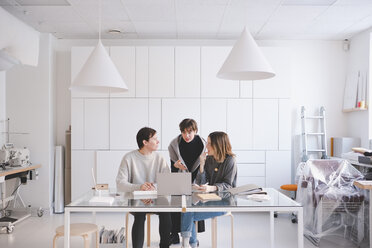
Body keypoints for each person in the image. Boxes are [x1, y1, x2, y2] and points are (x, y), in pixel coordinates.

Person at [180, 131, 237, 248]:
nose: (207, 146)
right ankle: (190, 243)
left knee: (188, 213)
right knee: (186, 209)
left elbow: (229, 186)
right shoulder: (210, 159)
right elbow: (201, 181)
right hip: (209, 199)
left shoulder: (230, 160)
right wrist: (201, 165)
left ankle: (189, 244)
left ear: (218, 145)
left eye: (210, 144)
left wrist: (211, 187)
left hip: (225, 202)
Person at [116, 127, 171, 248]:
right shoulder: (129, 158)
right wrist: (139, 187)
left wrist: (152, 187)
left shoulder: (160, 158)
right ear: (145, 142)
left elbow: (168, 182)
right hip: (136, 199)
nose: (158, 142)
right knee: (140, 214)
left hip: (157, 197)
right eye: (155, 139)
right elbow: (120, 183)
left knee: (166, 212)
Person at [168, 119, 206, 244]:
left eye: (190, 132)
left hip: (197, 177)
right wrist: (176, 166)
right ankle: (174, 233)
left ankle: (192, 237)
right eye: (184, 132)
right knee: (175, 202)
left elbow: (205, 166)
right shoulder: (174, 144)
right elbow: (172, 167)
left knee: (194, 204)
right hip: (180, 177)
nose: (187, 135)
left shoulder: (203, 144)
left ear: (195, 131)